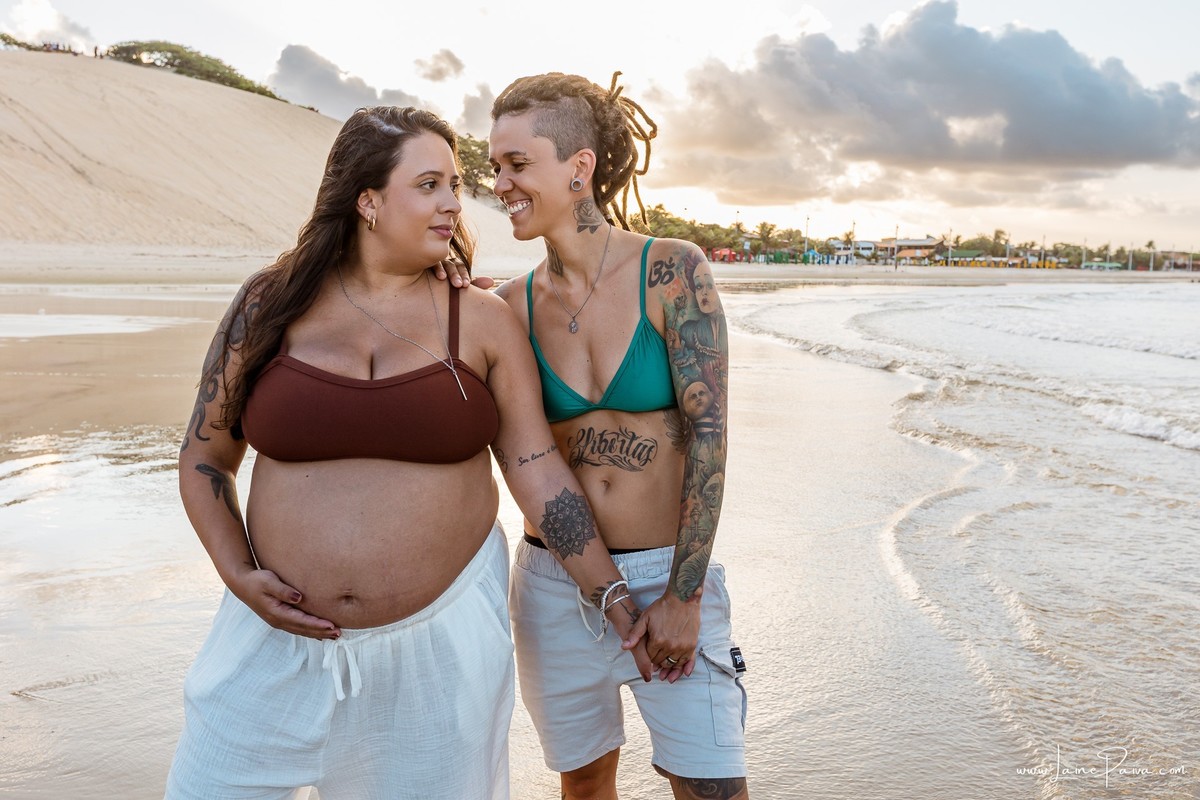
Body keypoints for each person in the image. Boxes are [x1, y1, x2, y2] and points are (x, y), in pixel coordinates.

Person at [165, 105, 650, 800]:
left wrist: (610, 592)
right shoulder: (268, 307)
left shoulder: (480, 318)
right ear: (367, 201)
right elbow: (205, 456)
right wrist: (239, 575)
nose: (455, 202)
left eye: (455, 183)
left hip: (440, 650)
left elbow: (534, 464)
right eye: (429, 185)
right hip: (271, 642)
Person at [485, 72, 748, 800]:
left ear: (579, 166)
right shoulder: (507, 307)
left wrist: (684, 597)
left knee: (712, 785)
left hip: (670, 575)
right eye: (494, 166)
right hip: (553, 583)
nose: (500, 182)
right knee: (586, 785)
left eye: (517, 163)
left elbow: (710, 436)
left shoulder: (671, 270)